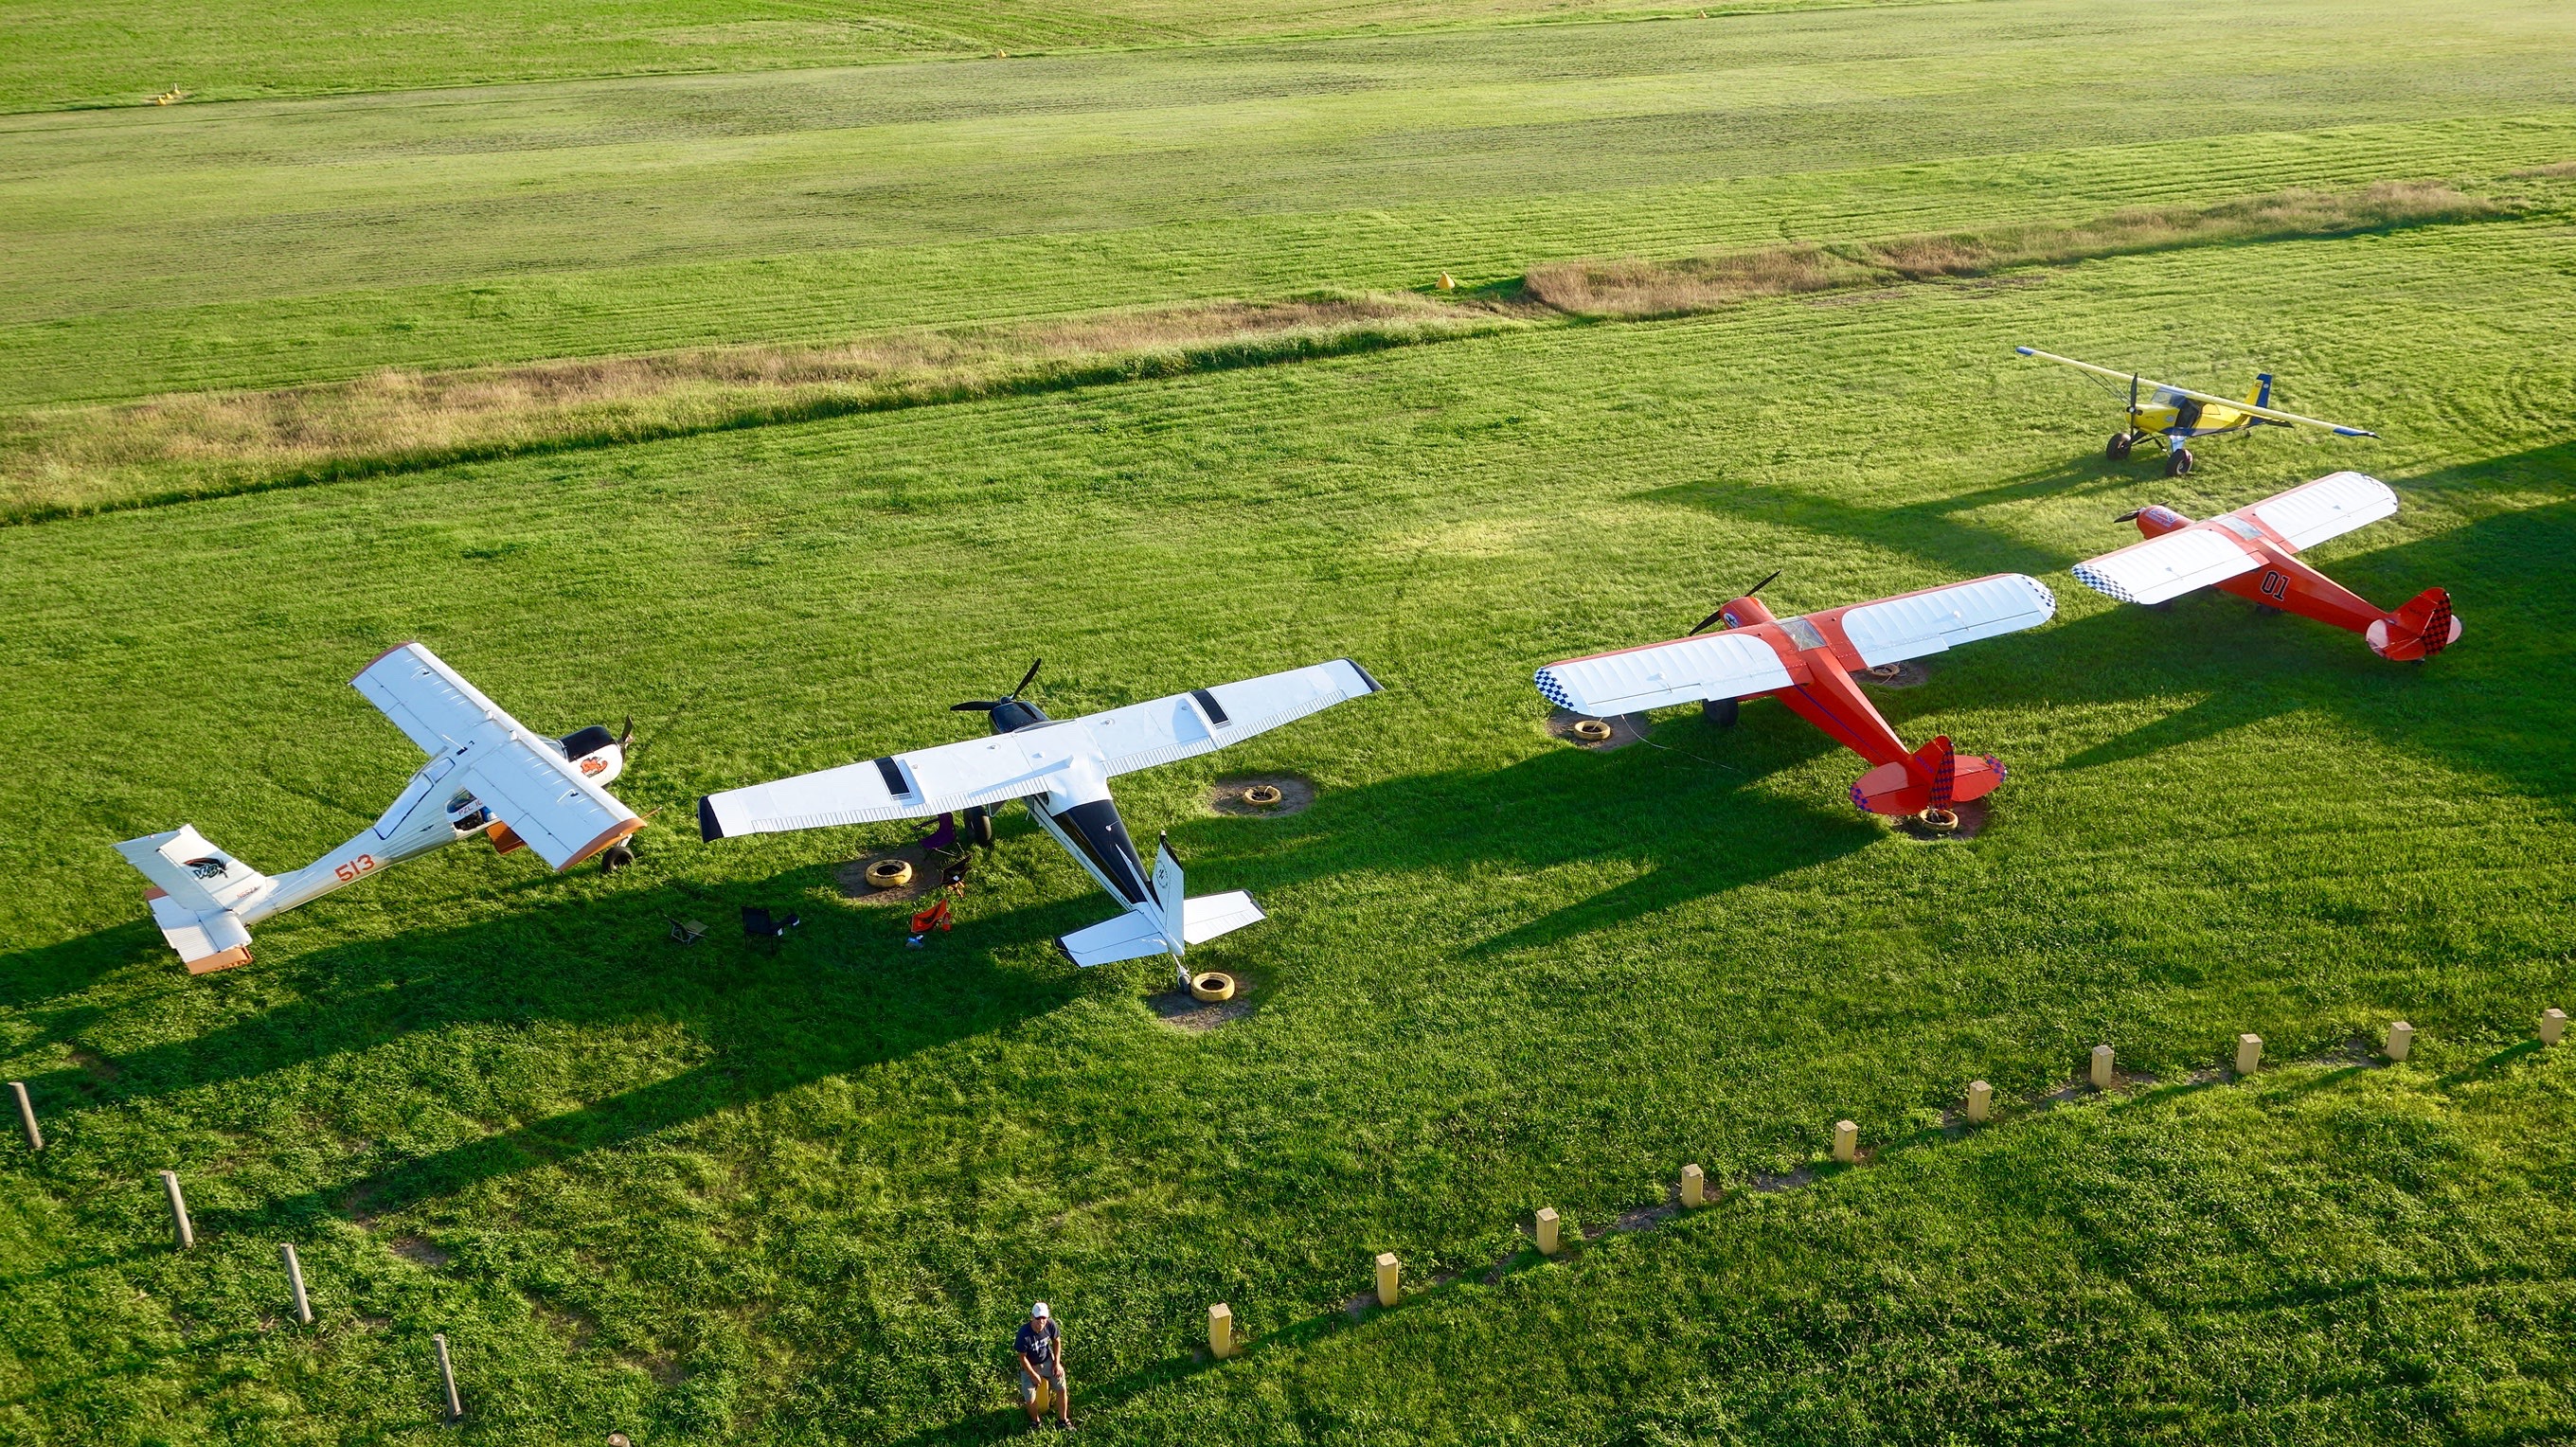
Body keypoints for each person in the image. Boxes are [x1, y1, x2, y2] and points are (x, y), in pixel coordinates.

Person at [1014, 1301, 1069, 1428]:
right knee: (1030, 1398)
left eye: (1044, 1318)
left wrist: (1057, 1363)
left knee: (1062, 1388)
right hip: (1030, 1365)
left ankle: (1063, 1421)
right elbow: (1022, 1358)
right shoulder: (1023, 1334)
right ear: (1032, 1317)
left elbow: (1057, 1341)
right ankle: (1036, 1422)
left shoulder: (1051, 1325)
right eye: (1038, 1318)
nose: (1041, 1321)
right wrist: (1032, 1374)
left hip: (1047, 1361)